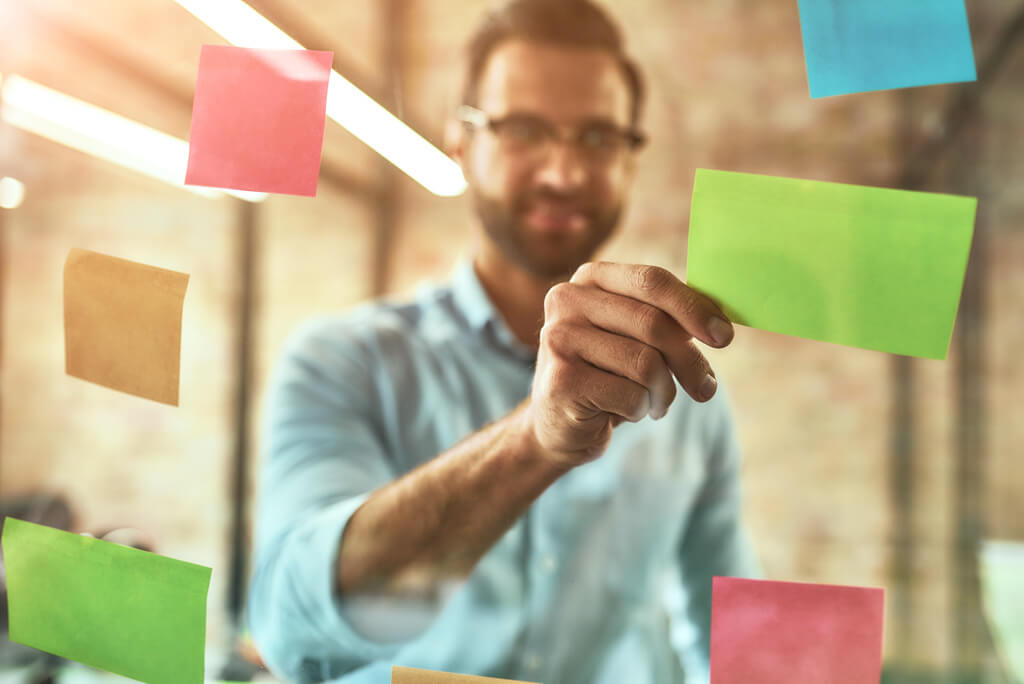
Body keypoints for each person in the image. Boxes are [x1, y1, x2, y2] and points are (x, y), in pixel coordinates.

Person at [248, 1, 759, 682]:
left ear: (633, 159)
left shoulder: (686, 392)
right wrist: (533, 442)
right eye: (524, 130)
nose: (564, 173)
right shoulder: (344, 361)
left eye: (599, 138)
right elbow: (294, 632)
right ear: (461, 142)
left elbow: (730, 638)